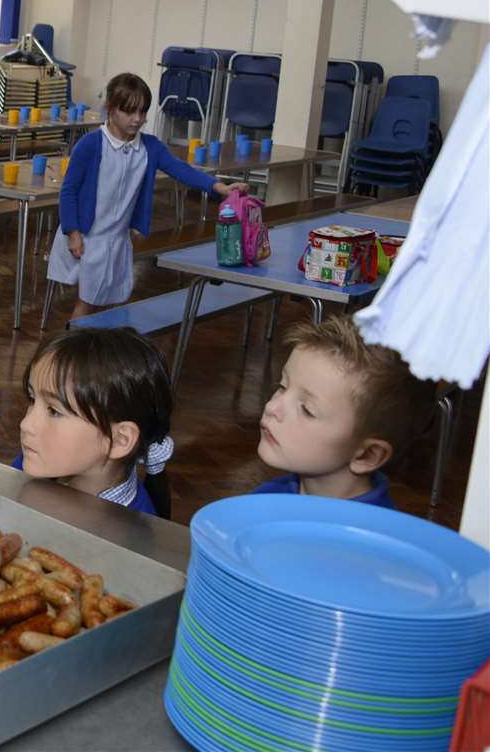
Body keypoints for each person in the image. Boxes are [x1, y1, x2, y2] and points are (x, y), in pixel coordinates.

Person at [49, 72, 248, 322]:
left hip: (117, 239)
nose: (137, 119)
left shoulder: (150, 147)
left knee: (111, 301)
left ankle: (97, 352)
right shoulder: (90, 144)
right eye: (129, 111)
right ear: (110, 108)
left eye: (142, 112)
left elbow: (181, 169)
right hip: (88, 237)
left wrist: (218, 187)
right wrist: (74, 233)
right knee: (87, 302)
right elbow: (69, 192)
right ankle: (70, 354)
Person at [250, 316, 431, 508]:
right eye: (283, 386)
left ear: (367, 455)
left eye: (307, 410)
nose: (271, 407)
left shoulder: (373, 534)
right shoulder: (266, 497)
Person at [14, 328, 175, 516]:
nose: (25, 423)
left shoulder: (126, 539)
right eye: (32, 399)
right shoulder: (35, 462)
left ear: (119, 440)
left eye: (54, 411)